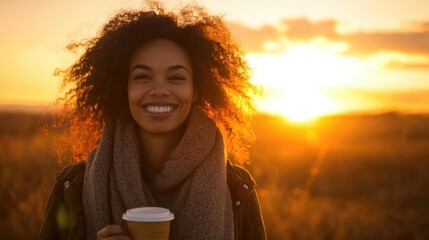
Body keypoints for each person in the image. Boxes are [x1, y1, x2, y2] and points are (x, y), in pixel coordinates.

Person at [39, 2, 266, 240]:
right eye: (143, 76)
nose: (159, 90)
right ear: (123, 88)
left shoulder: (237, 187)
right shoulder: (73, 184)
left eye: (176, 77)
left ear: (196, 90)